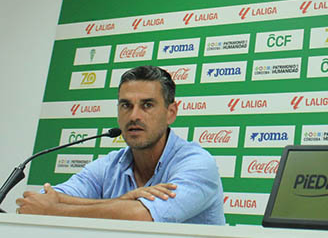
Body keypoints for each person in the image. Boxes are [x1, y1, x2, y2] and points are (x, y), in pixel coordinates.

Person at [16, 66, 225, 224]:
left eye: (147, 105)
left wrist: (55, 211)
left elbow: (141, 217)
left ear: (171, 113)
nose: (134, 116)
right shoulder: (109, 165)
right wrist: (124, 200)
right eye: (126, 105)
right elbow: (40, 200)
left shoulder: (197, 163)